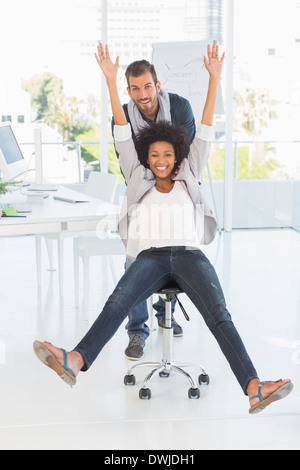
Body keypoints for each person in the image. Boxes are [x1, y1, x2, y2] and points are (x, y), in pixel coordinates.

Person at [33, 43, 293, 414]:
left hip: (189, 257)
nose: (160, 161)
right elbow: (122, 133)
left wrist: (215, 79)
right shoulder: (138, 177)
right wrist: (110, 80)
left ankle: (253, 386)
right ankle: (75, 360)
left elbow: (205, 130)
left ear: (177, 155)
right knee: (118, 303)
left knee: (220, 314)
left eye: (167, 155)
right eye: (153, 155)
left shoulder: (189, 171)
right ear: (146, 158)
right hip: (150, 259)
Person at [112, 54, 197, 360]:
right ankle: (137, 331)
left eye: (147, 86)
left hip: (174, 195)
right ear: (129, 91)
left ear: (157, 85)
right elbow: (131, 163)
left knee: (172, 254)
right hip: (143, 197)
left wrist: (163, 174)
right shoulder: (122, 116)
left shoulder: (180, 107)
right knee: (134, 263)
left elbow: (183, 155)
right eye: (135, 89)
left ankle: (165, 312)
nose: (142, 94)